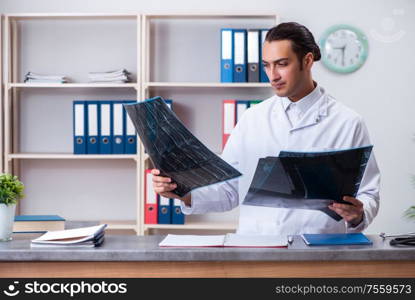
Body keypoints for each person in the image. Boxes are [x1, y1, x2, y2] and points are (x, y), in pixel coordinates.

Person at [152, 22, 380, 235]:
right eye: (267, 65)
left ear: (308, 61)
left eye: (282, 64)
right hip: (258, 249)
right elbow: (230, 191)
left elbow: (368, 193)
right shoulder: (252, 118)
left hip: (319, 250)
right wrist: (183, 192)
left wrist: (358, 214)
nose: (273, 76)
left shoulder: (347, 122)